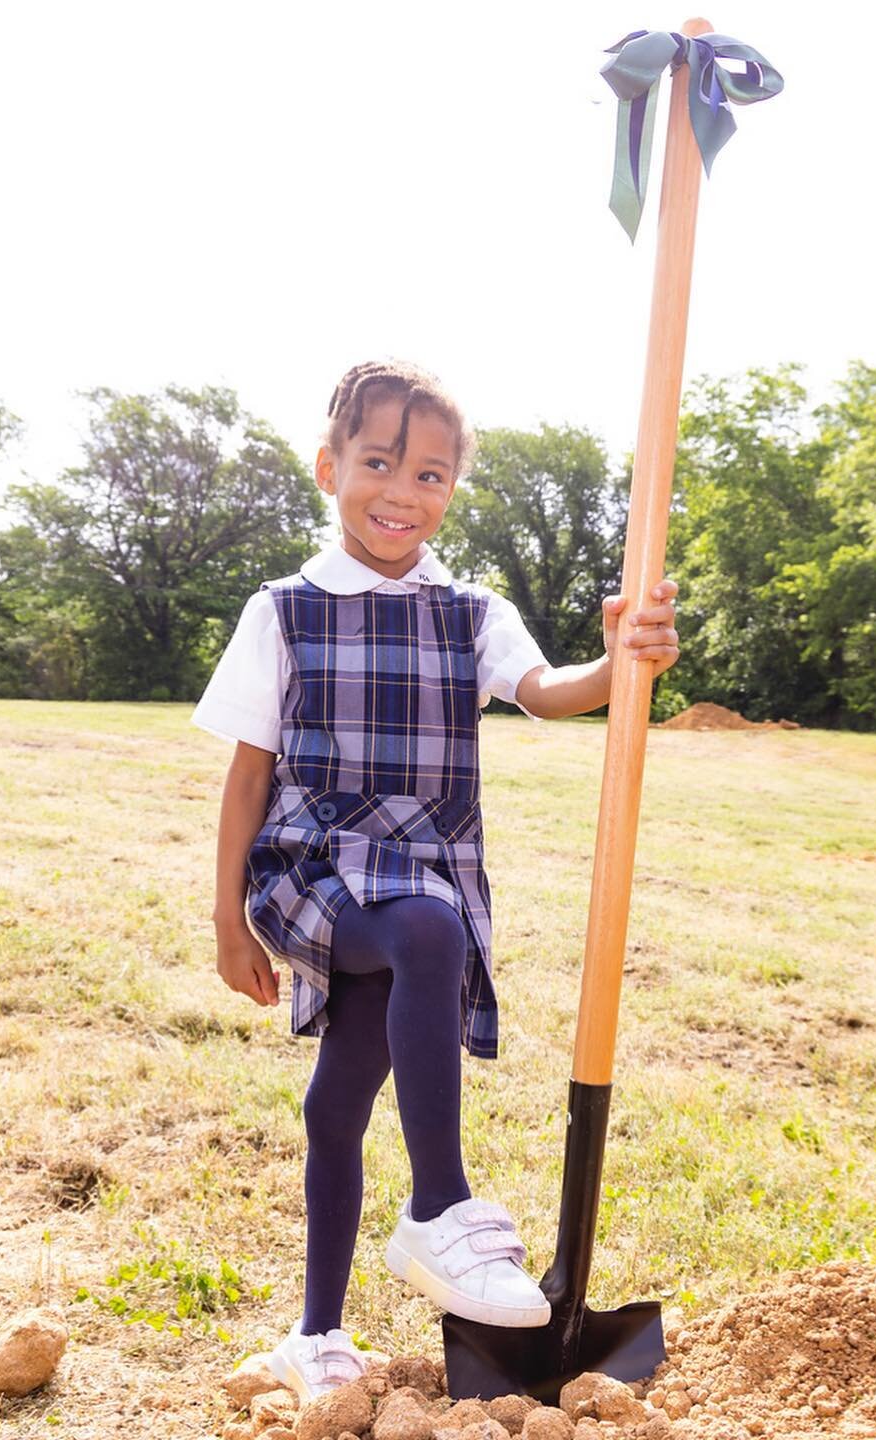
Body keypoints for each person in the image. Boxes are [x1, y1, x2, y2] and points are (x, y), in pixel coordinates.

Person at [191, 359, 681, 1403]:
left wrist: (620, 657)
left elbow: (549, 693)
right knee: (426, 936)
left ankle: (316, 1336)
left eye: (429, 475)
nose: (401, 494)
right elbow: (245, 779)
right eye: (377, 464)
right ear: (330, 468)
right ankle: (441, 1208)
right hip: (314, 866)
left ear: (452, 488)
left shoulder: (471, 612)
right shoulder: (282, 612)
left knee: (339, 1100)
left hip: (423, 863)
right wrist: (230, 921)